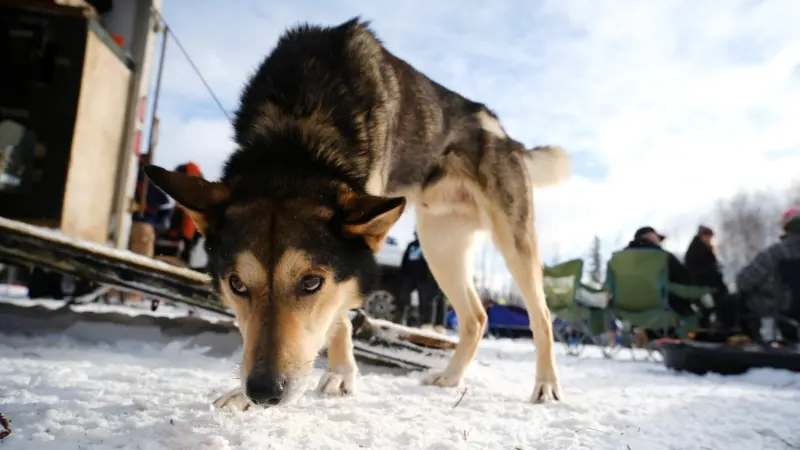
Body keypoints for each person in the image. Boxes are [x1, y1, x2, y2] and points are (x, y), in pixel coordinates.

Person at [720, 207, 800, 342]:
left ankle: (746, 342)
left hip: (779, 308)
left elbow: (743, 281)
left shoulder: (773, 253)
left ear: (786, 228)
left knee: (732, 301)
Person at [624, 226, 696, 315]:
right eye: (657, 239)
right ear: (650, 237)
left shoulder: (623, 259)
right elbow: (684, 279)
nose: (659, 243)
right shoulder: (663, 256)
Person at [396, 232, 445, 332]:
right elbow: (405, 260)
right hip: (411, 275)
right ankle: (402, 318)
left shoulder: (433, 245)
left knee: (429, 300)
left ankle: (428, 324)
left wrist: (431, 274)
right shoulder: (412, 245)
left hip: (427, 277)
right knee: (403, 297)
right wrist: (403, 274)